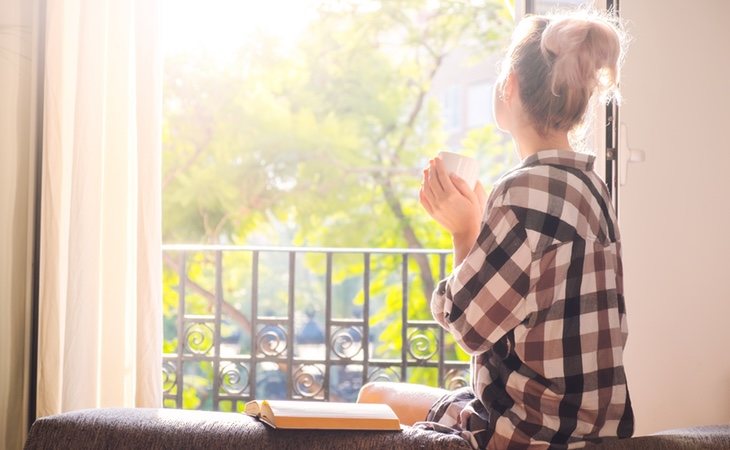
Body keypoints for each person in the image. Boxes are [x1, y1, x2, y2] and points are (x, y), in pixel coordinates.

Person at [357, 9, 634, 449]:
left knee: (374, 396)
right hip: (596, 432)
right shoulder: (593, 187)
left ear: (510, 87)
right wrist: (487, 223)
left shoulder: (520, 190)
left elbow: (469, 328)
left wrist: (464, 230)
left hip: (530, 434)